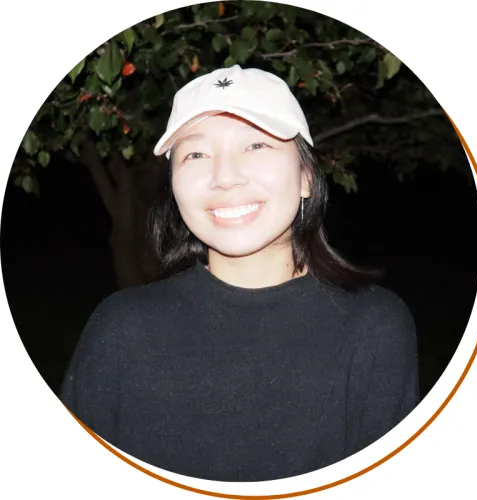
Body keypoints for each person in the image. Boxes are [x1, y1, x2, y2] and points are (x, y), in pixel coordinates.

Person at [60, 65, 419, 482]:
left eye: (256, 146)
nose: (225, 177)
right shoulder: (121, 328)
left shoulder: (374, 328)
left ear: (306, 176)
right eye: (196, 154)